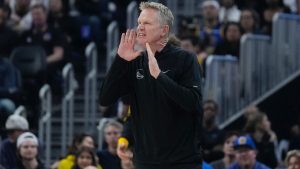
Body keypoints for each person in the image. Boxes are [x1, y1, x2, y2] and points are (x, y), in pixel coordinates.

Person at [99, 2, 203, 169]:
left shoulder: (186, 59)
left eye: (146, 23)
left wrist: (160, 77)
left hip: (182, 162)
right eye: (139, 22)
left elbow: (194, 103)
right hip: (144, 162)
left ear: (164, 30)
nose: (140, 27)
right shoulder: (135, 61)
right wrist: (120, 60)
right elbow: (105, 99)